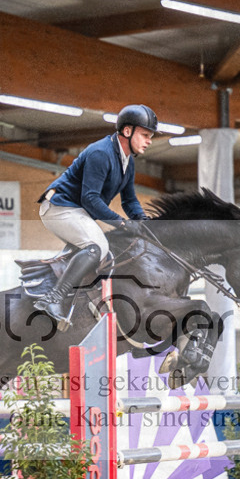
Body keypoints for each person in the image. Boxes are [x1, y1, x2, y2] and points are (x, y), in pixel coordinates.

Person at [34, 104, 157, 324]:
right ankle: (54, 298)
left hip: (77, 210)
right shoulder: (101, 153)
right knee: (98, 247)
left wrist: (143, 222)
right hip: (59, 207)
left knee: (102, 247)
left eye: (150, 136)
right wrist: (120, 224)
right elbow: (90, 199)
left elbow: (129, 200)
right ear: (127, 131)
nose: (149, 141)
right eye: (145, 135)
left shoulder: (127, 162)